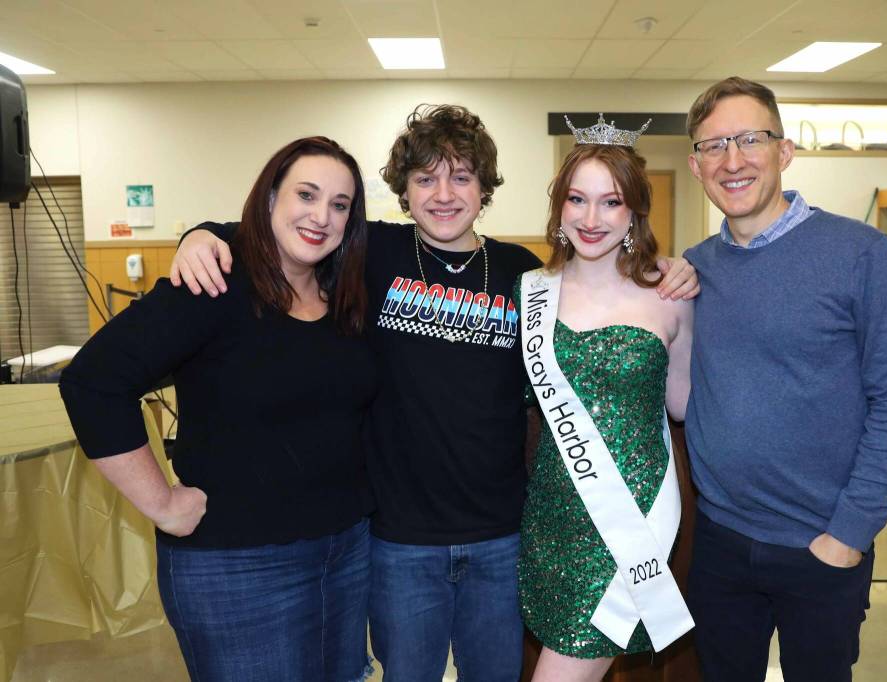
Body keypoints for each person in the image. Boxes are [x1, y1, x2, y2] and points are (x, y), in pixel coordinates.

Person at [169, 105, 700, 681]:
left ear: (484, 188)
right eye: (425, 178)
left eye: (461, 177)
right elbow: (288, 235)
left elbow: (604, 322)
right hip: (399, 543)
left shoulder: (523, 277)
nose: (443, 194)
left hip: (504, 538)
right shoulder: (368, 255)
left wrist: (671, 273)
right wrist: (203, 235)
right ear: (403, 189)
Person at [59, 137, 377, 681]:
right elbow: (92, 382)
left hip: (345, 555)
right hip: (236, 568)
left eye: (340, 204)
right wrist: (160, 502)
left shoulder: (345, 296)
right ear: (271, 197)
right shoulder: (213, 286)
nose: (321, 215)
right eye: (306, 194)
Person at [681, 76, 887, 682]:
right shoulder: (694, 269)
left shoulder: (861, 255)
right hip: (719, 543)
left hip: (821, 547)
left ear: (785, 152)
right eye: (714, 146)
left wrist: (848, 533)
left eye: (750, 140)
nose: (732, 161)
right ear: (695, 165)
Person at [516, 117, 694, 682]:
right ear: (560, 206)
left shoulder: (669, 295)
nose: (591, 219)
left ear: (635, 213)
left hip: (629, 523)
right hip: (549, 522)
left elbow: (685, 407)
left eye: (611, 202)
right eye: (577, 199)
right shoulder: (529, 292)